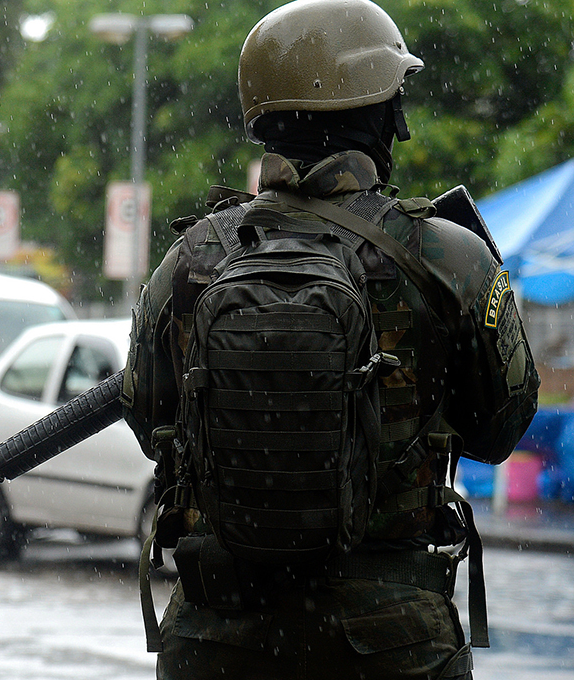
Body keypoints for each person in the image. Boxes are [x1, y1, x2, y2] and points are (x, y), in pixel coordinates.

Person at [121, 1, 540, 678]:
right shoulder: (446, 257)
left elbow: (150, 426)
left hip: (220, 637)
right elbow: (500, 430)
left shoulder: (190, 260)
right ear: (379, 111)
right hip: (392, 639)